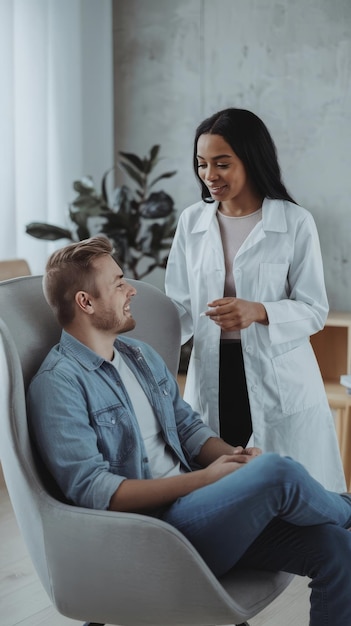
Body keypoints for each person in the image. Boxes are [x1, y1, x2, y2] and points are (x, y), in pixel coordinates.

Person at [26, 235, 351, 626]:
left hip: (200, 514)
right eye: (118, 283)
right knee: (277, 471)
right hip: (153, 535)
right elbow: (98, 492)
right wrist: (204, 480)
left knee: (336, 547)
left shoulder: (139, 356)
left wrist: (232, 458)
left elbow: (187, 428)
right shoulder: (58, 383)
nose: (131, 290)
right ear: (85, 302)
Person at [165, 107, 345, 492]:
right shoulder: (191, 223)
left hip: (275, 375)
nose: (209, 176)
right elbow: (177, 309)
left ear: (251, 159)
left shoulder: (294, 223)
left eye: (222, 164)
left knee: (290, 490)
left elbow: (314, 310)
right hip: (213, 372)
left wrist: (260, 311)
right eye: (201, 164)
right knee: (224, 487)